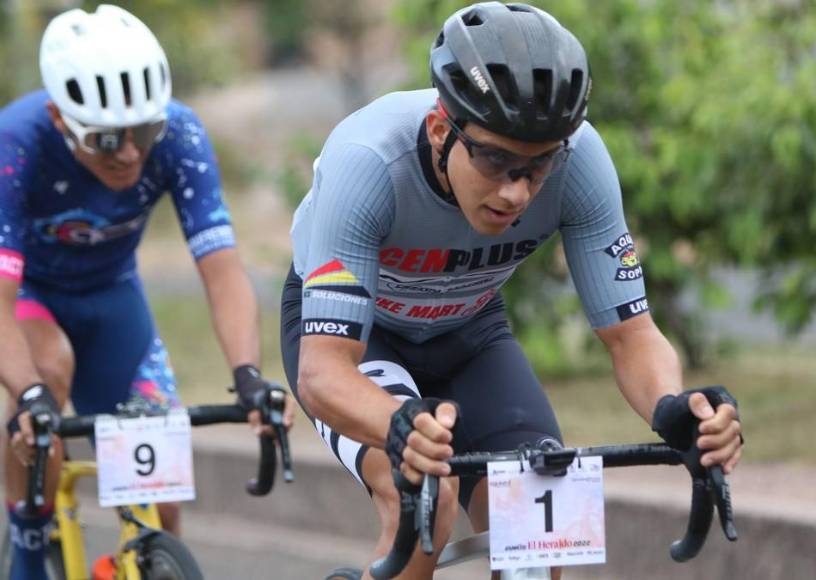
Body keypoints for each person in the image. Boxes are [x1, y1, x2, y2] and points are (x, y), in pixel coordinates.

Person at [281, 2, 743, 579]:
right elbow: (322, 371)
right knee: (427, 495)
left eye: (539, 165)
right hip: (360, 338)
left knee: (536, 525)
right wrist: (394, 423)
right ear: (439, 130)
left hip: (470, 331)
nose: (517, 194)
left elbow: (632, 336)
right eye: (497, 160)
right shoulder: (368, 163)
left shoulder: (582, 163)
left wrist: (676, 410)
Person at [0, 5, 293, 579]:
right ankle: (29, 544)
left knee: (157, 470)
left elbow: (223, 269)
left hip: (113, 300)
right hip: (30, 297)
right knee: (46, 378)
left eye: (142, 132)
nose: (131, 153)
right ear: (61, 118)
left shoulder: (178, 132)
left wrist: (247, 375)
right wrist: (29, 393)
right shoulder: (17, 143)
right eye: (107, 138)